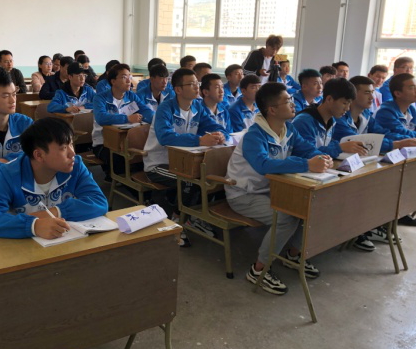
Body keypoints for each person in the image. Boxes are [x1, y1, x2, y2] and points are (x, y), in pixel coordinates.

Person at [0, 117, 104, 349]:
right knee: (58, 305)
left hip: (65, 255)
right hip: (23, 262)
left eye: (72, 144)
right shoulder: (10, 174)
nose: (72, 153)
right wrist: (32, 226)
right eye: (64, 147)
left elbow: (99, 202)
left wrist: (55, 212)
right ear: (39, 155)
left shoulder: (75, 166)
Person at [225, 82, 331, 295]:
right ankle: (258, 270)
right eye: (288, 101)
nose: (293, 104)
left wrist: (320, 157)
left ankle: (293, 255)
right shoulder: (254, 135)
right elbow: (263, 165)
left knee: (307, 206)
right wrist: (306, 164)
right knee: (286, 217)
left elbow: (306, 148)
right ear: (272, 110)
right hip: (243, 194)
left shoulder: (288, 129)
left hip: (270, 190)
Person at [143, 68, 227, 246]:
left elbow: (213, 125)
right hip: (159, 163)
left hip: (185, 162)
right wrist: (199, 140)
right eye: (192, 84)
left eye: (197, 83)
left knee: (206, 178)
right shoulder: (165, 108)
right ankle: (177, 219)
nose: (197, 87)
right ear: (178, 89)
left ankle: (192, 217)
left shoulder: (197, 106)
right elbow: (165, 137)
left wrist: (220, 134)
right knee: (190, 181)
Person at [334, 75, 416, 245]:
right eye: (366, 93)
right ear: (353, 95)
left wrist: (399, 142)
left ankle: (371, 225)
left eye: (372, 92)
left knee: (385, 183)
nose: (372, 97)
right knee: (371, 187)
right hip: (341, 168)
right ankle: (358, 229)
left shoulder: (366, 114)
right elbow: (360, 143)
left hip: (362, 163)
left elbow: (381, 134)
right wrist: (396, 144)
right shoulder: (340, 117)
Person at [92, 64, 154, 178]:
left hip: (127, 139)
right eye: (124, 77)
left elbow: (146, 111)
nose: (129, 80)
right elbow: (101, 118)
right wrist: (127, 118)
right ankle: (120, 179)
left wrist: (157, 120)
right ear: (113, 81)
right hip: (103, 142)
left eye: (129, 76)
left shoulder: (131, 96)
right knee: (119, 158)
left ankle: (132, 179)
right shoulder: (100, 98)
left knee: (146, 153)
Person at [292, 78, 367, 158]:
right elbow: (308, 153)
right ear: (329, 99)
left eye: (349, 104)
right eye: (345, 103)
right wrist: (340, 148)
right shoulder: (304, 121)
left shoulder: (331, 121)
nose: (347, 108)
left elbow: (325, 147)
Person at [375, 72, 416, 139]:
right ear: (397, 93)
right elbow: (401, 134)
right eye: (412, 88)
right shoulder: (385, 112)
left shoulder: (411, 109)